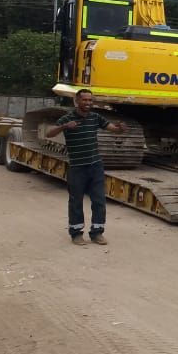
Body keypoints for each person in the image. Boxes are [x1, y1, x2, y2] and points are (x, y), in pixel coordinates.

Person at [44, 89, 127, 246]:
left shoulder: (95, 117)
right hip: (77, 167)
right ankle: (76, 234)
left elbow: (112, 128)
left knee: (99, 201)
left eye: (90, 100)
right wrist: (64, 127)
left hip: (95, 166)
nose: (88, 103)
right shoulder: (67, 119)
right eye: (85, 100)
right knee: (76, 201)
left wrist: (120, 129)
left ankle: (97, 233)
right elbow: (49, 133)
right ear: (77, 101)